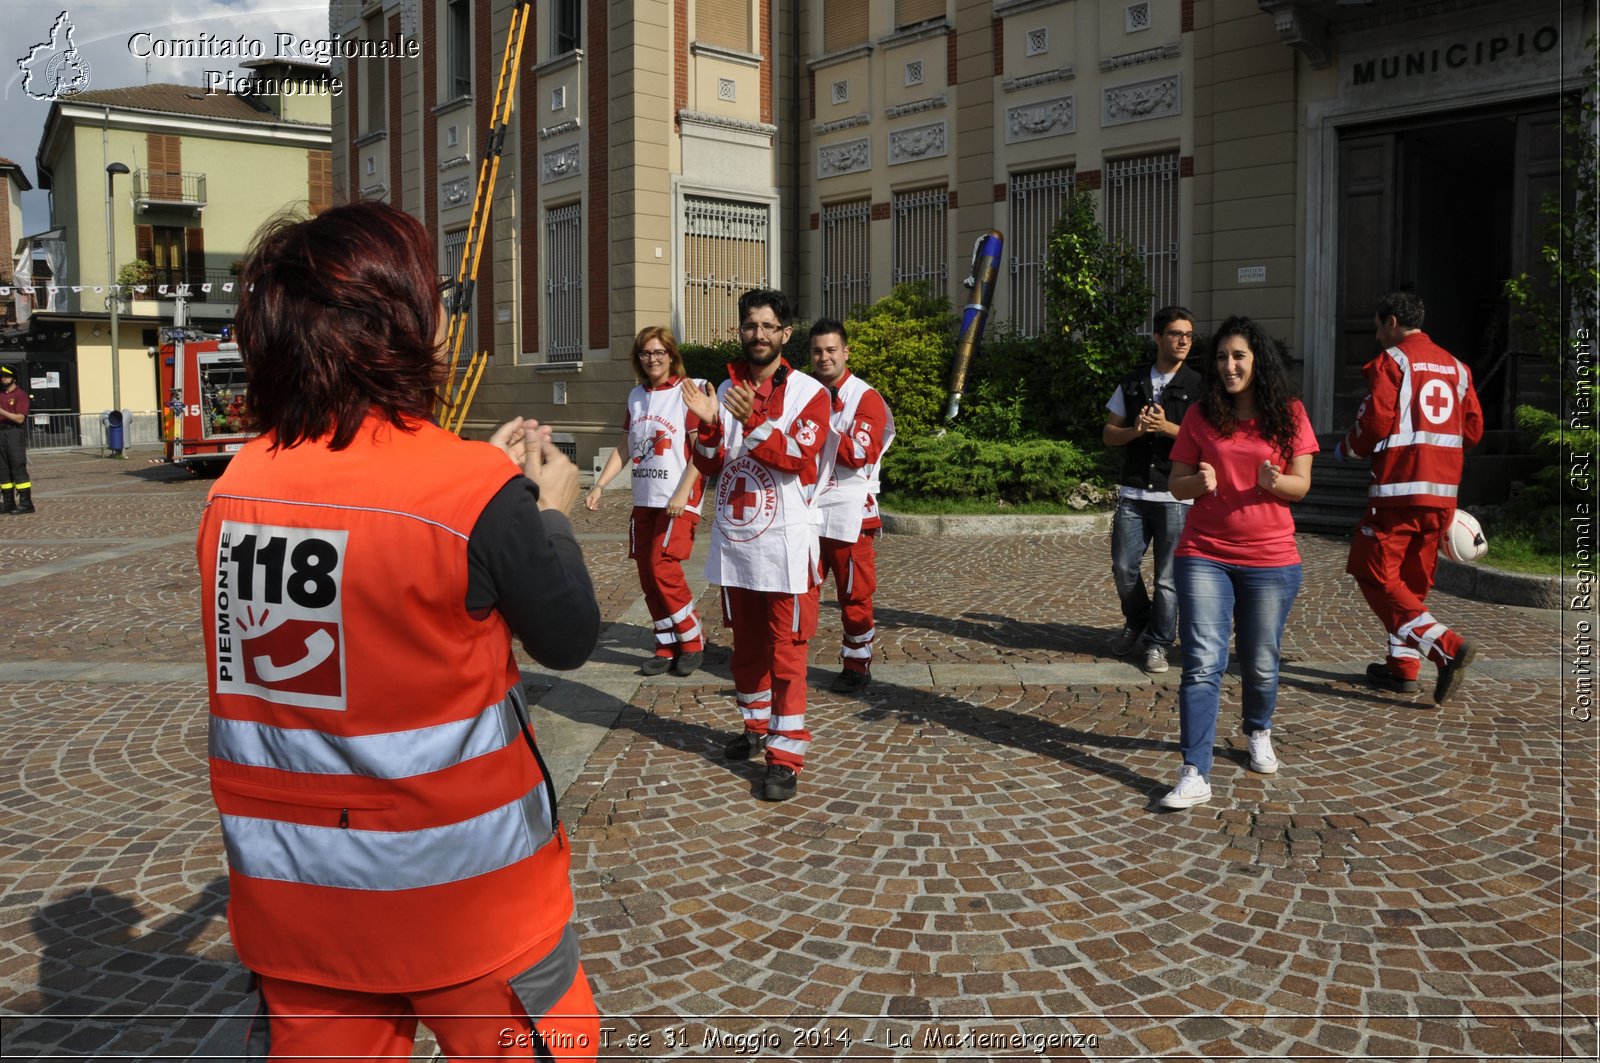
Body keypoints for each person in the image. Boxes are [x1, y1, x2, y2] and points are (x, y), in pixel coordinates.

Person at [196, 201, 602, 1060]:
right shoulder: (474, 490)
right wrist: (544, 510)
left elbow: (365, 533)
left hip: (299, 907)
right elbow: (566, 633)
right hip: (469, 908)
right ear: (400, 319)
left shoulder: (233, 489)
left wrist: (475, 477)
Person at [1159, 316, 1318, 811]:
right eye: (1223, 357)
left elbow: (1301, 485)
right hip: (1204, 553)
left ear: (1258, 360)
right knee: (1203, 663)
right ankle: (1194, 771)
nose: (1229, 366)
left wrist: (1274, 482)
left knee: (1261, 661)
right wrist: (1197, 483)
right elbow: (1175, 483)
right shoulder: (1202, 415)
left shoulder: (1288, 414)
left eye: (1239, 356)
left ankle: (1257, 730)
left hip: (1272, 559)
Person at [681, 288, 832, 802]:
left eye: (769, 326)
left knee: (787, 654)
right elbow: (710, 464)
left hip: (788, 550)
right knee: (745, 651)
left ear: (785, 335)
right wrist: (705, 425)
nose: (759, 335)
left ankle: (785, 756)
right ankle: (756, 725)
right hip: (738, 546)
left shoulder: (811, 392)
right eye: (750, 325)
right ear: (740, 331)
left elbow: (796, 455)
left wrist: (751, 420)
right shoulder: (723, 387)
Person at [1336, 290, 1484, 705]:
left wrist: (1348, 447)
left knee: (1374, 572)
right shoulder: (1458, 368)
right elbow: (1472, 431)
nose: (1377, 335)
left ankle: (1447, 647)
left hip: (1399, 489)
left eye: (1378, 326)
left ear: (1391, 322)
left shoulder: (1393, 361)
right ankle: (1403, 668)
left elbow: (1376, 419)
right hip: (1443, 494)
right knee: (1411, 581)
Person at [586, 326, 708, 676]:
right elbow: (626, 445)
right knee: (647, 574)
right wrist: (600, 485)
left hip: (678, 498)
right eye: (645, 353)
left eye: (659, 352)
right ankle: (666, 643)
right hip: (645, 498)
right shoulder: (636, 396)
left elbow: (703, 447)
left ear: (671, 355)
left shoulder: (689, 391)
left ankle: (692, 638)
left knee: (662, 568)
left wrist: (683, 492)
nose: (652, 359)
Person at [1102, 306, 1202, 673]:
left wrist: (1168, 428)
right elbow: (1109, 434)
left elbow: (1210, 440)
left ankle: (1158, 643)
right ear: (1158, 337)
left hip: (1176, 495)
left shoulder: (1199, 386)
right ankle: (1138, 618)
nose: (1184, 341)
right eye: (1177, 334)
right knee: (1123, 568)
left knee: (1167, 580)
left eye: (1189, 335)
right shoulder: (1131, 384)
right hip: (1133, 493)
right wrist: (1137, 431)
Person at [808, 318, 895, 693]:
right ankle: (787, 661)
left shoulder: (866, 397)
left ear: (846, 352)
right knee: (798, 590)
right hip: (808, 509)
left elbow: (860, 453)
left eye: (831, 350)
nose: (824, 357)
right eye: (817, 351)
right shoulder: (804, 391)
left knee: (855, 595)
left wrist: (815, 427)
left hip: (850, 512)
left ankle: (857, 664)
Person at [0, 364, 35, 514]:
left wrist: (1, 411)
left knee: (17, 466)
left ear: (13, 378)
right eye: (2, 376)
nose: (3, 378)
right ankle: (8, 502)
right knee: (2, 469)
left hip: (14, 432)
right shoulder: (0, 394)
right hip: (1, 433)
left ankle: (26, 503)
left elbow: (20, 418)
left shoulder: (20, 395)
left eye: (6, 376)